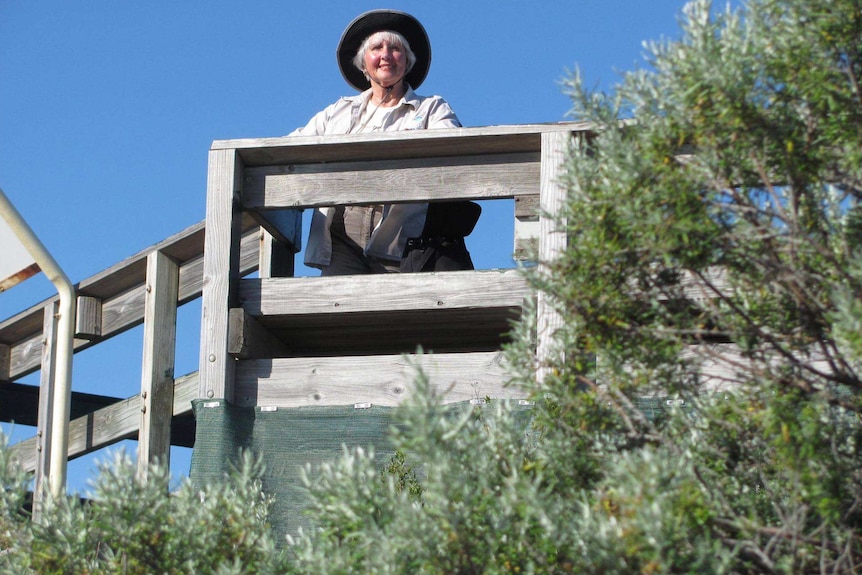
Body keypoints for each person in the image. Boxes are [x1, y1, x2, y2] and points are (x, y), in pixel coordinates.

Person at [289, 9, 479, 276]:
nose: (386, 55)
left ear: (408, 61)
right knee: (339, 311)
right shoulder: (338, 111)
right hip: (341, 233)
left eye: (396, 48)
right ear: (363, 62)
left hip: (401, 235)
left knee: (398, 311)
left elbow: (451, 149)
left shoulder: (432, 107)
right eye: (376, 48)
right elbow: (289, 149)